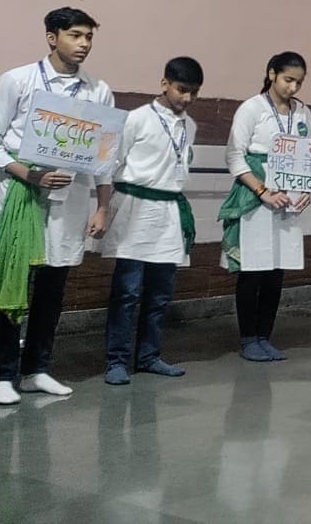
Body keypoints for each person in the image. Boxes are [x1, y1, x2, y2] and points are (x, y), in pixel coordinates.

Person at [0, 7, 114, 405]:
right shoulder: (17, 81)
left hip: (69, 201)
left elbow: (106, 155)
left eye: (88, 37)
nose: (83, 44)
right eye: (75, 35)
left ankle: (37, 369)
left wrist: (103, 207)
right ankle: (3, 374)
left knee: (53, 289)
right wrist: (27, 173)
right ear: (52, 37)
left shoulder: (98, 91)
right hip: (23, 195)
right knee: (14, 283)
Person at [101, 56, 203, 385]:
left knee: (160, 293)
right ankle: (116, 360)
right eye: (182, 90)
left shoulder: (189, 126)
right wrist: (102, 208)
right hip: (134, 208)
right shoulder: (136, 119)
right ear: (164, 84)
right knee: (127, 291)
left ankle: (148, 356)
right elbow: (110, 164)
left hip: (168, 212)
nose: (187, 98)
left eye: (194, 92)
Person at [219, 52, 311, 362]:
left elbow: (309, 156)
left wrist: (307, 190)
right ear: (272, 74)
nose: (293, 88)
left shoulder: (303, 112)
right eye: (288, 80)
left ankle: (265, 336)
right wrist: (261, 190)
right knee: (253, 269)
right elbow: (234, 155)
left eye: (298, 82)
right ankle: (248, 338)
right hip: (256, 196)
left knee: (276, 270)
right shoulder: (252, 108)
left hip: (288, 198)